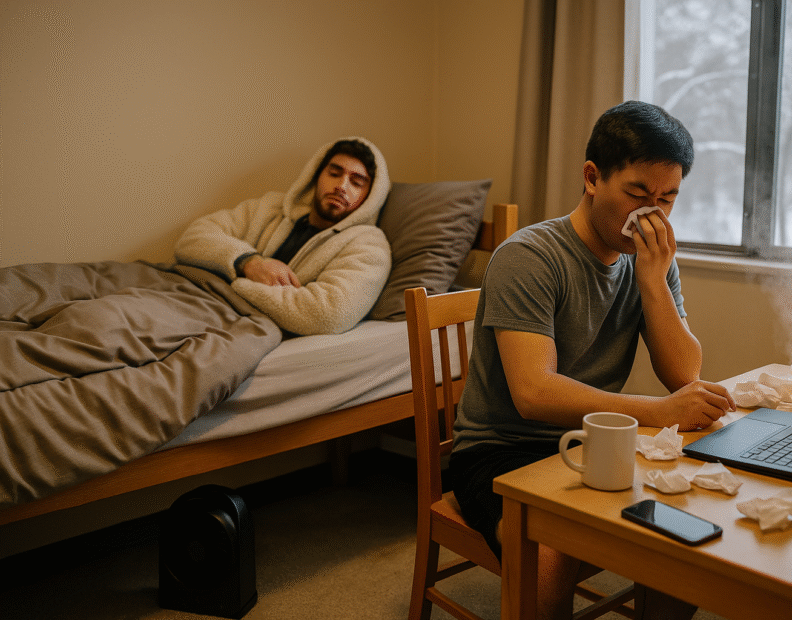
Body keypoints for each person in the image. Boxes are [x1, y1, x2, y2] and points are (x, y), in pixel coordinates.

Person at [449, 101, 737, 620]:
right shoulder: (530, 255)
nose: (652, 214)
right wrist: (656, 412)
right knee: (550, 560)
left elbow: (683, 373)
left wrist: (652, 280)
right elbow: (534, 393)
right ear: (591, 177)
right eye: (638, 194)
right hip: (502, 451)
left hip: (602, 439)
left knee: (691, 531)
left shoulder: (650, 260)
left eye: (667, 199)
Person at [174, 136, 391, 336]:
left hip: (237, 325)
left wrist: (239, 285)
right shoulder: (271, 207)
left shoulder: (369, 245)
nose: (341, 187)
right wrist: (249, 262)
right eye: (334, 174)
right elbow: (193, 238)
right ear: (316, 176)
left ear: (369, 197)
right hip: (187, 297)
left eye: (356, 182)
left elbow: (327, 314)